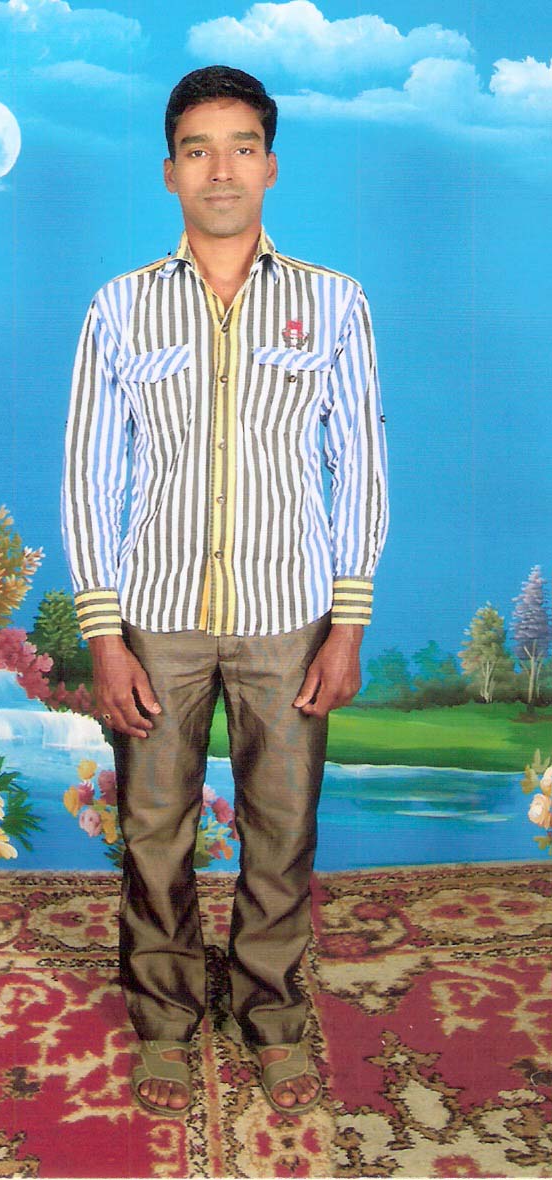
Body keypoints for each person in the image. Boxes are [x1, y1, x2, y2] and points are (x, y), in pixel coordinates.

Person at [61, 65, 388, 1118]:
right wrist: (104, 635)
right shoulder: (118, 306)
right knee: (153, 831)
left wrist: (346, 623)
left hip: (289, 620)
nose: (220, 169)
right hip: (154, 620)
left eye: (241, 147)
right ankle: (163, 1019)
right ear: (168, 172)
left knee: (281, 831)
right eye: (197, 149)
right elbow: (88, 474)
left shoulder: (333, 302)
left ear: (270, 166)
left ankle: (272, 1016)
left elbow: (361, 466)